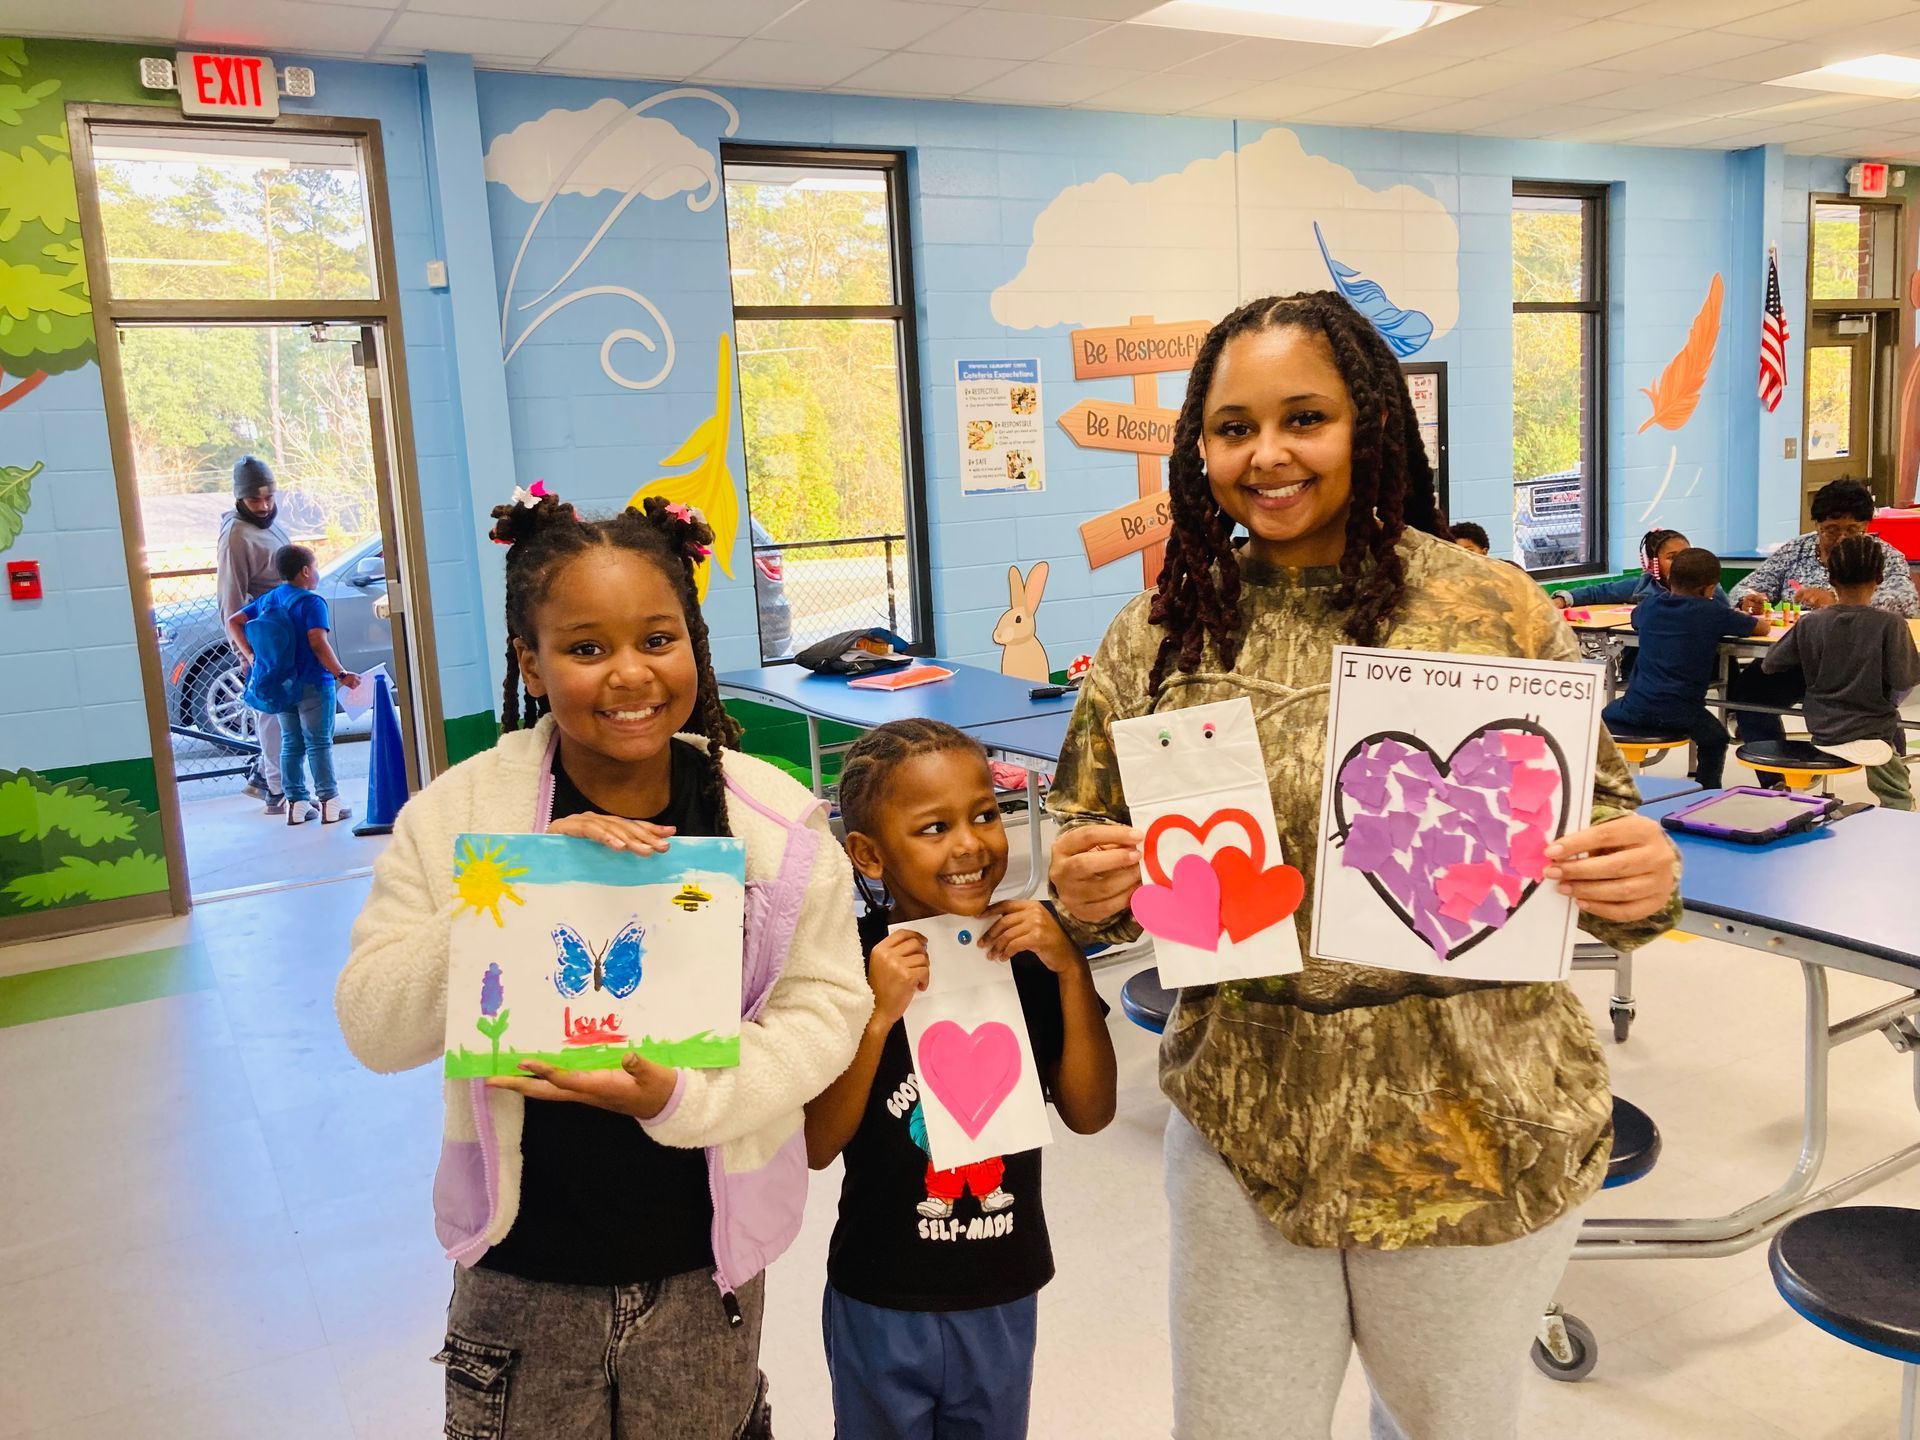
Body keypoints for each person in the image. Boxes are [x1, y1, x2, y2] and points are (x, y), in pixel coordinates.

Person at [1044, 292, 1680, 1440]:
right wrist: (1083, 893)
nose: (1268, 454)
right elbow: (1087, 856)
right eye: (1234, 427)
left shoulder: (1492, 610)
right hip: (1247, 1121)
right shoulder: (1161, 634)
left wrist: (1641, 880)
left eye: (1306, 418)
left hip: (1471, 1122)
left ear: (1371, 423)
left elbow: (1607, 844)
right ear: (1201, 449)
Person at [335, 491, 870, 1439]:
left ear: (694, 644)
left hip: (705, 1268)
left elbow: (826, 1007)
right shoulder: (463, 817)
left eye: (658, 638)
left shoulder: (771, 823)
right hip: (520, 1269)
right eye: (585, 649)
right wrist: (508, 889)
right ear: (530, 664)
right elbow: (374, 1027)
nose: (630, 674)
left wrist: (682, 1099)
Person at [806, 720, 1117, 1440]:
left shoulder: (1027, 953)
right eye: (934, 827)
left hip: (1003, 1290)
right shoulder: (847, 967)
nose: (971, 843)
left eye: (983, 814)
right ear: (868, 854)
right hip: (880, 1292)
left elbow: (1091, 1111)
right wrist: (877, 1017)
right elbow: (818, 1144)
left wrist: (1069, 966)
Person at [1728, 478, 1919, 746]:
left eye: (1852, 529)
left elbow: (1906, 601)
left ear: (1866, 527)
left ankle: (1888, 762)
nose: (1841, 538)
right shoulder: (1797, 550)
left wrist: (1841, 604)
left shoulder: (1879, 555)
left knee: (1874, 707)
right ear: (1817, 525)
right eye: (1831, 530)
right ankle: (1776, 777)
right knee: (1749, 689)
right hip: (1801, 661)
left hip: (1863, 665)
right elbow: (1745, 587)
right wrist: (1750, 599)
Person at [1761, 534, 1920, 810]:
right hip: (1874, 732)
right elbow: (1904, 678)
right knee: (1899, 798)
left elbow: (1770, 663)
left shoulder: (1811, 623)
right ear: (1879, 578)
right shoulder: (1889, 624)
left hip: (1823, 729)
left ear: (1830, 578)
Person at [1599, 547, 1764, 790]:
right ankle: (1706, 793)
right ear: (1709, 589)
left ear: (1669, 580)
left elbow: (1635, 619)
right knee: (1717, 739)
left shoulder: (1650, 606)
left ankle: (1601, 784)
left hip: (1636, 704)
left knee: (1601, 717)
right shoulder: (1713, 612)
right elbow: (1760, 629)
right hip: (1682, 711)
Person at [225, 545, 362, 826]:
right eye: (315, 567)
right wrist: (341, 674)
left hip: (280, 683)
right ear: (305, 571)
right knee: (319, 743)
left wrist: (251, 655)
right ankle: (329, 801)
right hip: (313, 682)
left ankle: (296, 803)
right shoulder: (312, 602)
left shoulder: (269, 600)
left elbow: (233, 621)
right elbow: (317, 642)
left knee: (291, 743)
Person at [217, 455, 291, 812]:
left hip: (286, 629)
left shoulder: (268, 524)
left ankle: (269, 775)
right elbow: (230, 599)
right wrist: (245, 652)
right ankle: (274, 786)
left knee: (289, 710)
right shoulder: (236, 536)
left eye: (268, 498)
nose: (263, 507)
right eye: (254, 501)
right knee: (272, 711)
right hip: (265, 636)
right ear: (239, 499)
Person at [1550, 528, 1727, 608]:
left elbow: (1727, 614)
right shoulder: (1642, 586)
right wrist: (1563, 599)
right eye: (1672, 557)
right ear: (1653, 564)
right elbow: (1600, 592)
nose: (1682, 560)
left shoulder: (1707, 585)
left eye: (1686, 553)